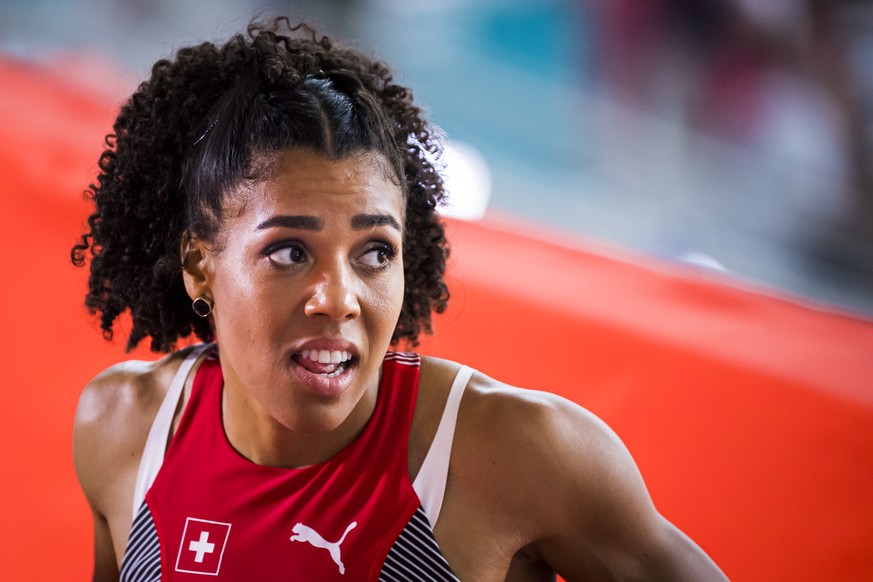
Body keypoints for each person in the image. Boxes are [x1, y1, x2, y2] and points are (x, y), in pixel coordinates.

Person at [71, 18, 728, 581]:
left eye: (374, 253)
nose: (338, 299)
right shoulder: (123, 429)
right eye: (290, 252)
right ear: (198, 265)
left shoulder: (515, 452)